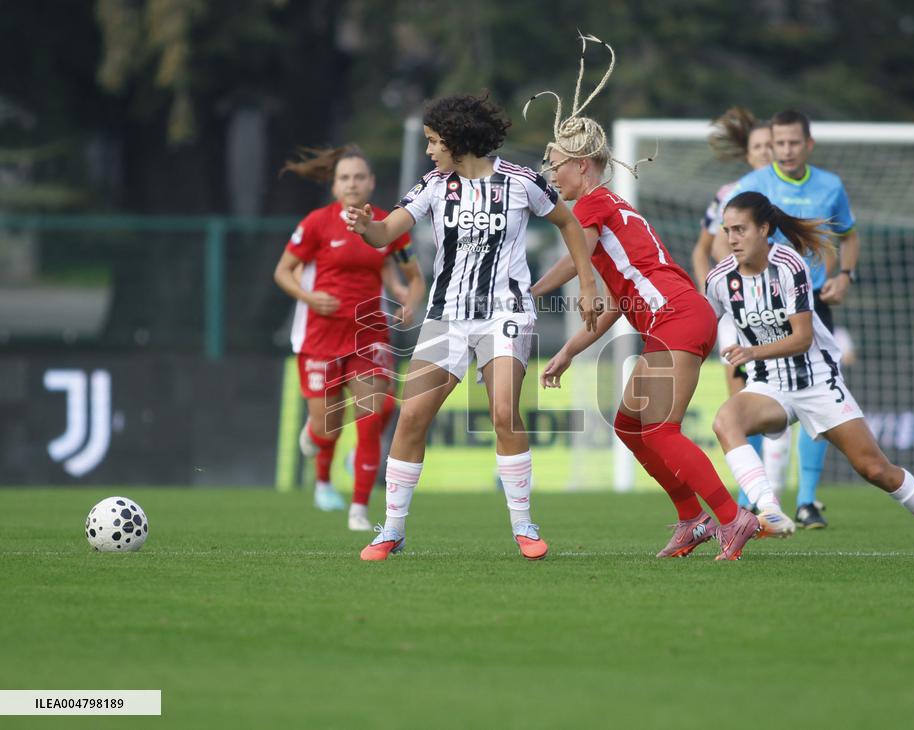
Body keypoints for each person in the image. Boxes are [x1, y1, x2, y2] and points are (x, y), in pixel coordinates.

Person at [527, 34, 792, 560]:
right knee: (631, 426)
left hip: (678, 317)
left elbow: (574, 261)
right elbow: (613, 303)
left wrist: (527, 290)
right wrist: (568, 351)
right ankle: (692, 519)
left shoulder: (592, 206)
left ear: (583, 165)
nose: (550, 172)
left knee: (663, 430)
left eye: (555, 163)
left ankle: (734, 517)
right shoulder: (605, 214)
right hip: (673, 317)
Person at [345, 92, 600, 561]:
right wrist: (366, 226)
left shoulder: (521, 182)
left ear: (457, 139)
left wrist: (586, 283)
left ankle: (523, 525)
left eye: (433, 141)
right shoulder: (433, 185)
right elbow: (385, 233)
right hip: (447, 315)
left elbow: (569, 224)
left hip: (506, 312)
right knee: (412, 417)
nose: (428, 150)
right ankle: (392, 530)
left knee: (503, 412)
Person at [707, 191, 914, 549]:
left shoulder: (789, 265)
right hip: (768, 384)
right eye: (727, 231)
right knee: (725, 421)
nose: (732, 239)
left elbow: (802, 338)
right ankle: (770, 510)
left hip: (817, 381)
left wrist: (752, 351)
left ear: (764, 229)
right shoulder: (720, 279)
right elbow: (703, 327)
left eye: (740, 229)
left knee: (875, 469)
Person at [716, 109, 858, 529]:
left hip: (811, 305)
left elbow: (848, 235)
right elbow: (720, 240)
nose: (786, 150)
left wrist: (845, 275)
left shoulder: (830, 185)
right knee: (751, 400)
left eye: (794, 142)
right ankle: (750, 500)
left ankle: (807, 500)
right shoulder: (750, 186)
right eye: (779, 143)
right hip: (758, 309)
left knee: (820, 399)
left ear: (808, 144)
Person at [274, 144, 425, 531]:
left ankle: (359, 510)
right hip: (321, 336)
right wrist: (309, 297)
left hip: (368, 335)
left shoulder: (387, 224)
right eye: (344, 178)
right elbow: (283, 271)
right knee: (327, 426)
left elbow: (409, 276)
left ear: (371, 182)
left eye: (359, 177)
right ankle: (317, 447)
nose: (352, 184)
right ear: (334, 185)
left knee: (370, 421)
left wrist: (408, 300)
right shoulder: (316, 223)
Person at [691, 107, 795, 507]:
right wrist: (711, 298)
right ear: (748, 154)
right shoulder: (729, 196)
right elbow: (704, 249)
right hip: (737, 314)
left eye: (771, 146)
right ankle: (752, 496)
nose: (767, 152)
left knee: (785, 398)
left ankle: (787, 498)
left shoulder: (789, 195)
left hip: (781, 311)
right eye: (759, 147)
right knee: (742, 400)